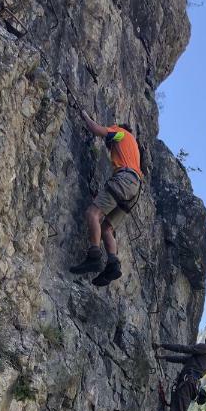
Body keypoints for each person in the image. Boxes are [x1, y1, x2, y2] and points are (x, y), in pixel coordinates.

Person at [69, 109, 142, 287]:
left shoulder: (121, 133)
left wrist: (85, 116)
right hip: (135, 188)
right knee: (106, 228)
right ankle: (113, 263)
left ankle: (94, 255)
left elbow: (97, 129)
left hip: (124, 179)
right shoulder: (133, 147)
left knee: (92, 213)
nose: (109, 148)